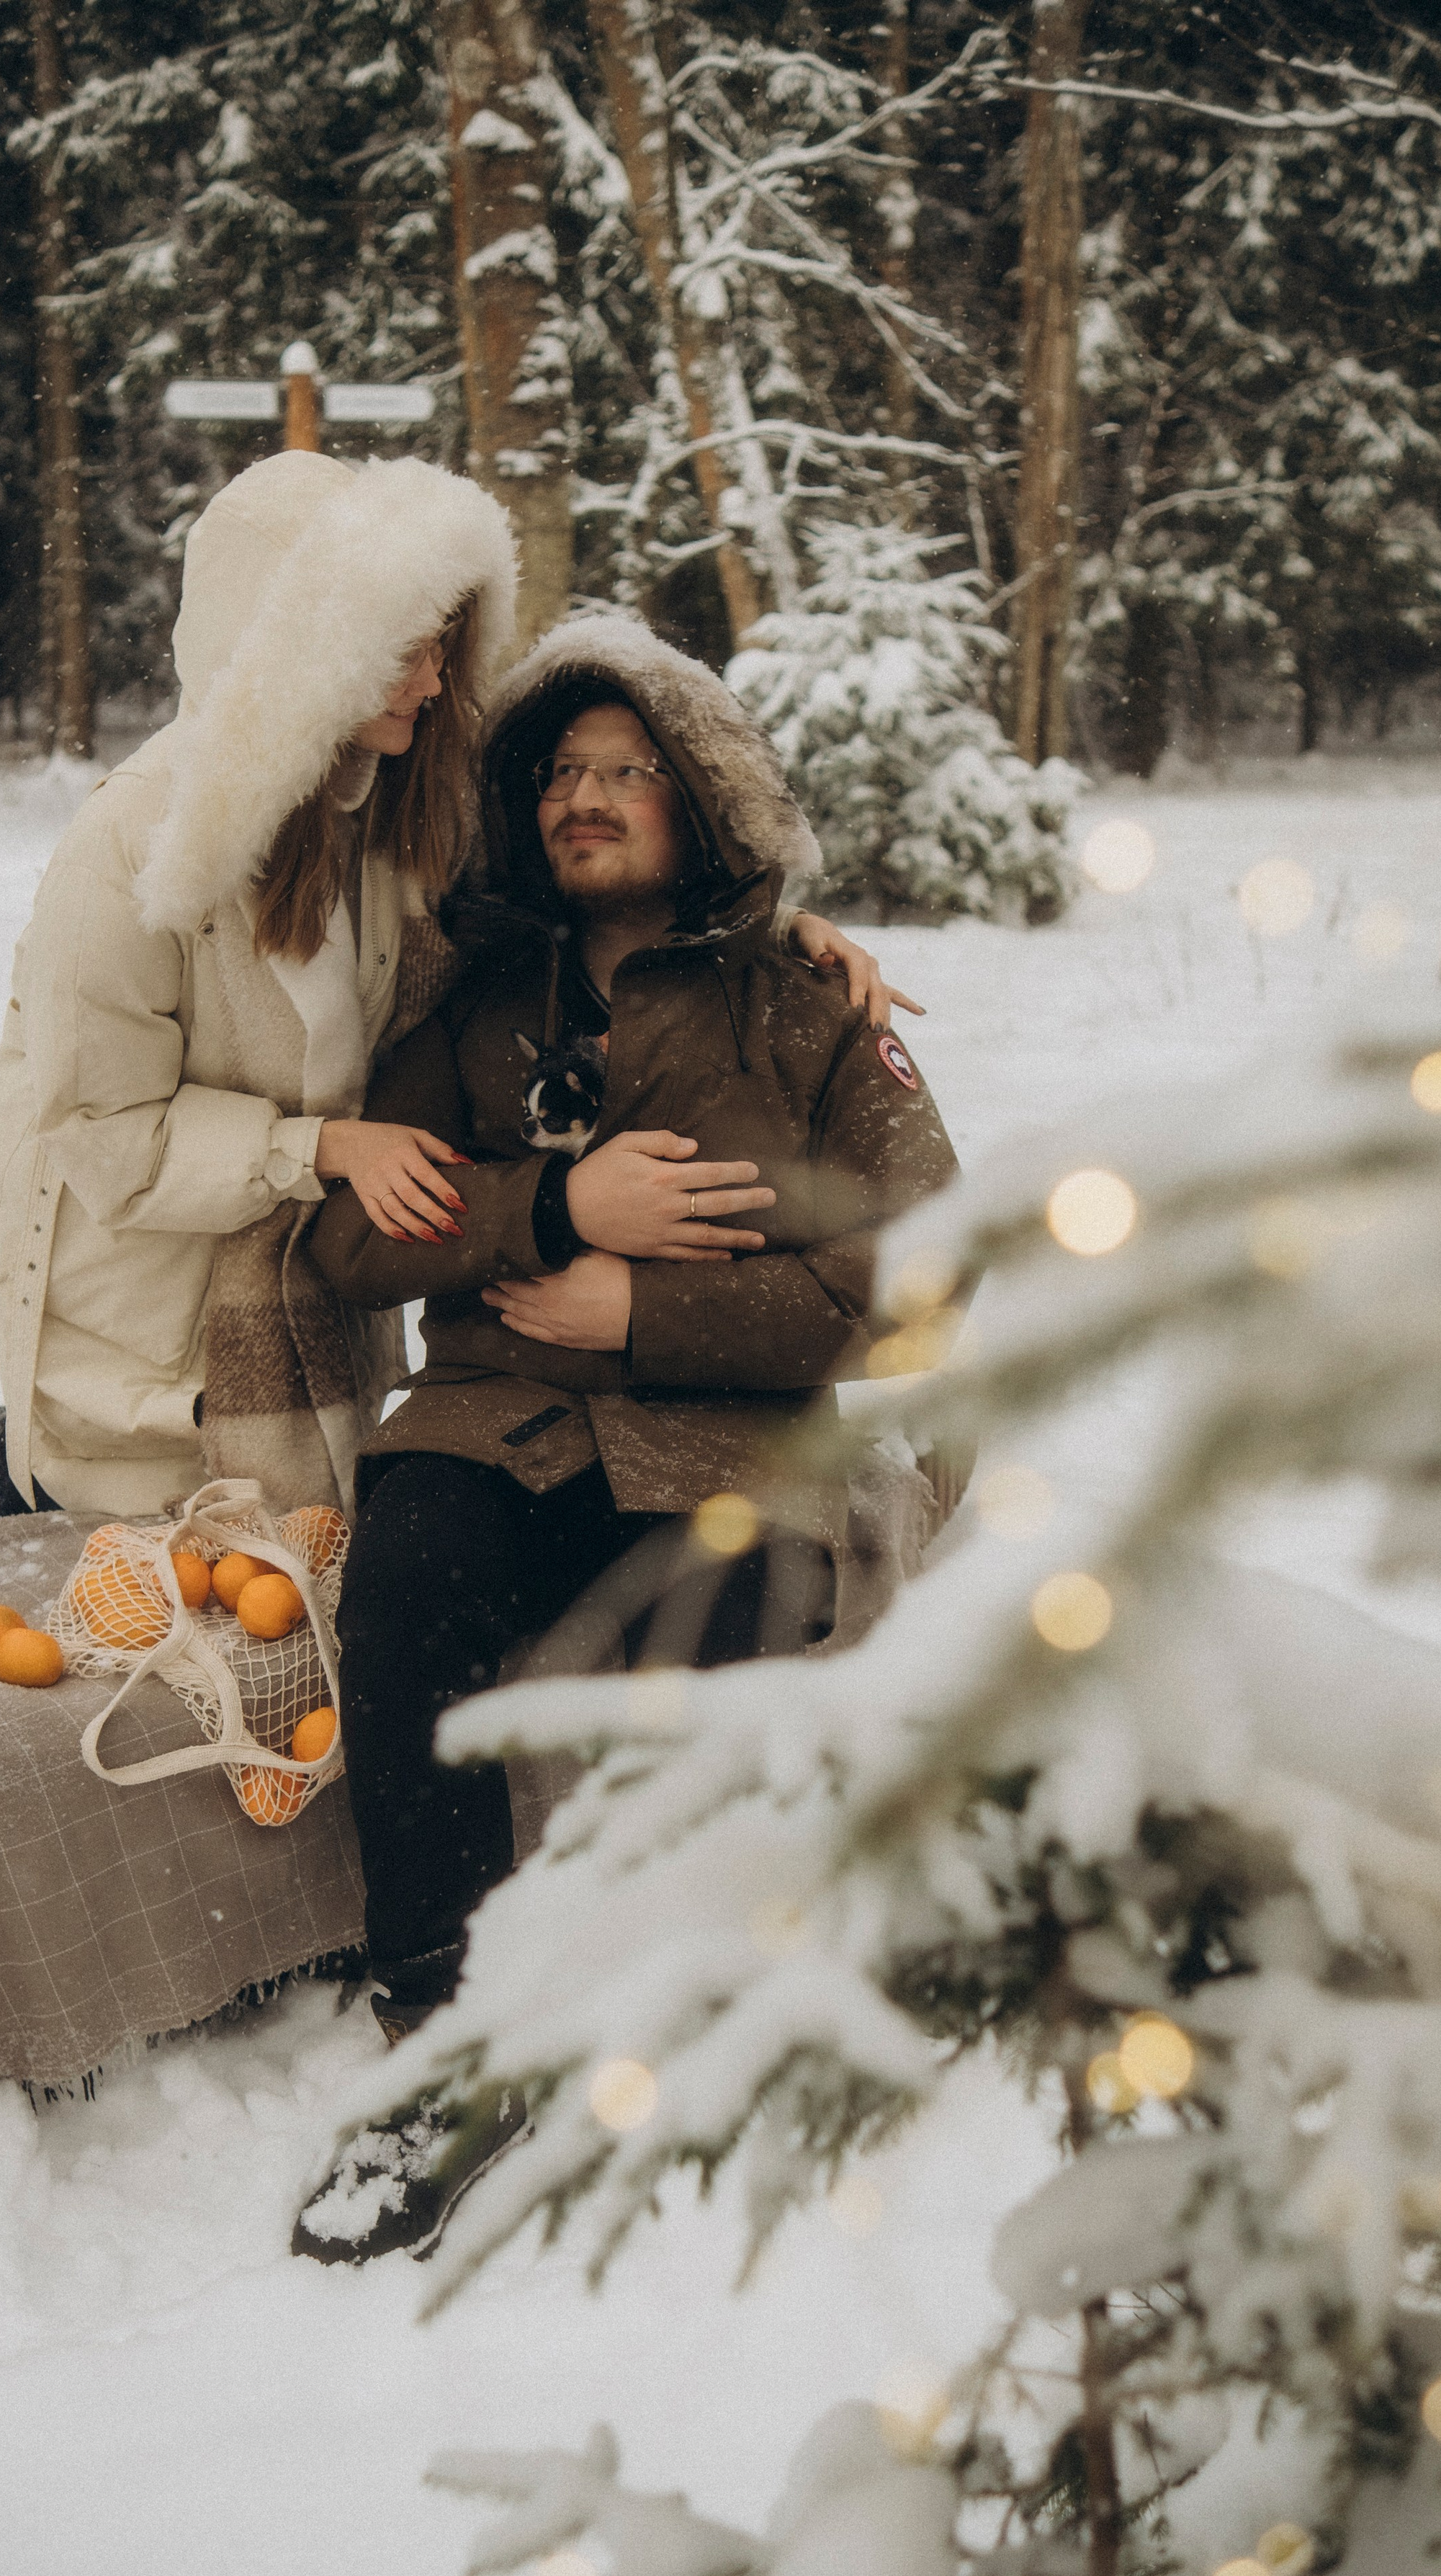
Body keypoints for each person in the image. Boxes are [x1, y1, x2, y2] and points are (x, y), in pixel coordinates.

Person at [0, 455, 905, 1557]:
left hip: (328, 1230)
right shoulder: (130, 850)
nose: (437, 680)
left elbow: (603, 862)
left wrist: (771, 933)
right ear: (300, 650)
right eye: (403, 649)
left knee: (307, 1534)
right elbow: (102, 1133)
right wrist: (322, 1146)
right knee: (153, 1512)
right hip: (152, 1238)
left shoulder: (404, 796)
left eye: (445, 644)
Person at [291, 610, 957, 2265]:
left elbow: (932, 1273)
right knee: (406, 1588)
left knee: (714, 1644)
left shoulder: (800, 1007)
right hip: (482, 1424)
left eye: (628, 773)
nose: (586, 800)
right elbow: (356, 1245)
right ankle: (442, 2041)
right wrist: (544, 1212)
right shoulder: (466, 1001)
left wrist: (648, 1319)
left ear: (704, 801)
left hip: (720, 1453)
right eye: (562, 775)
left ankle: (681, 2028)